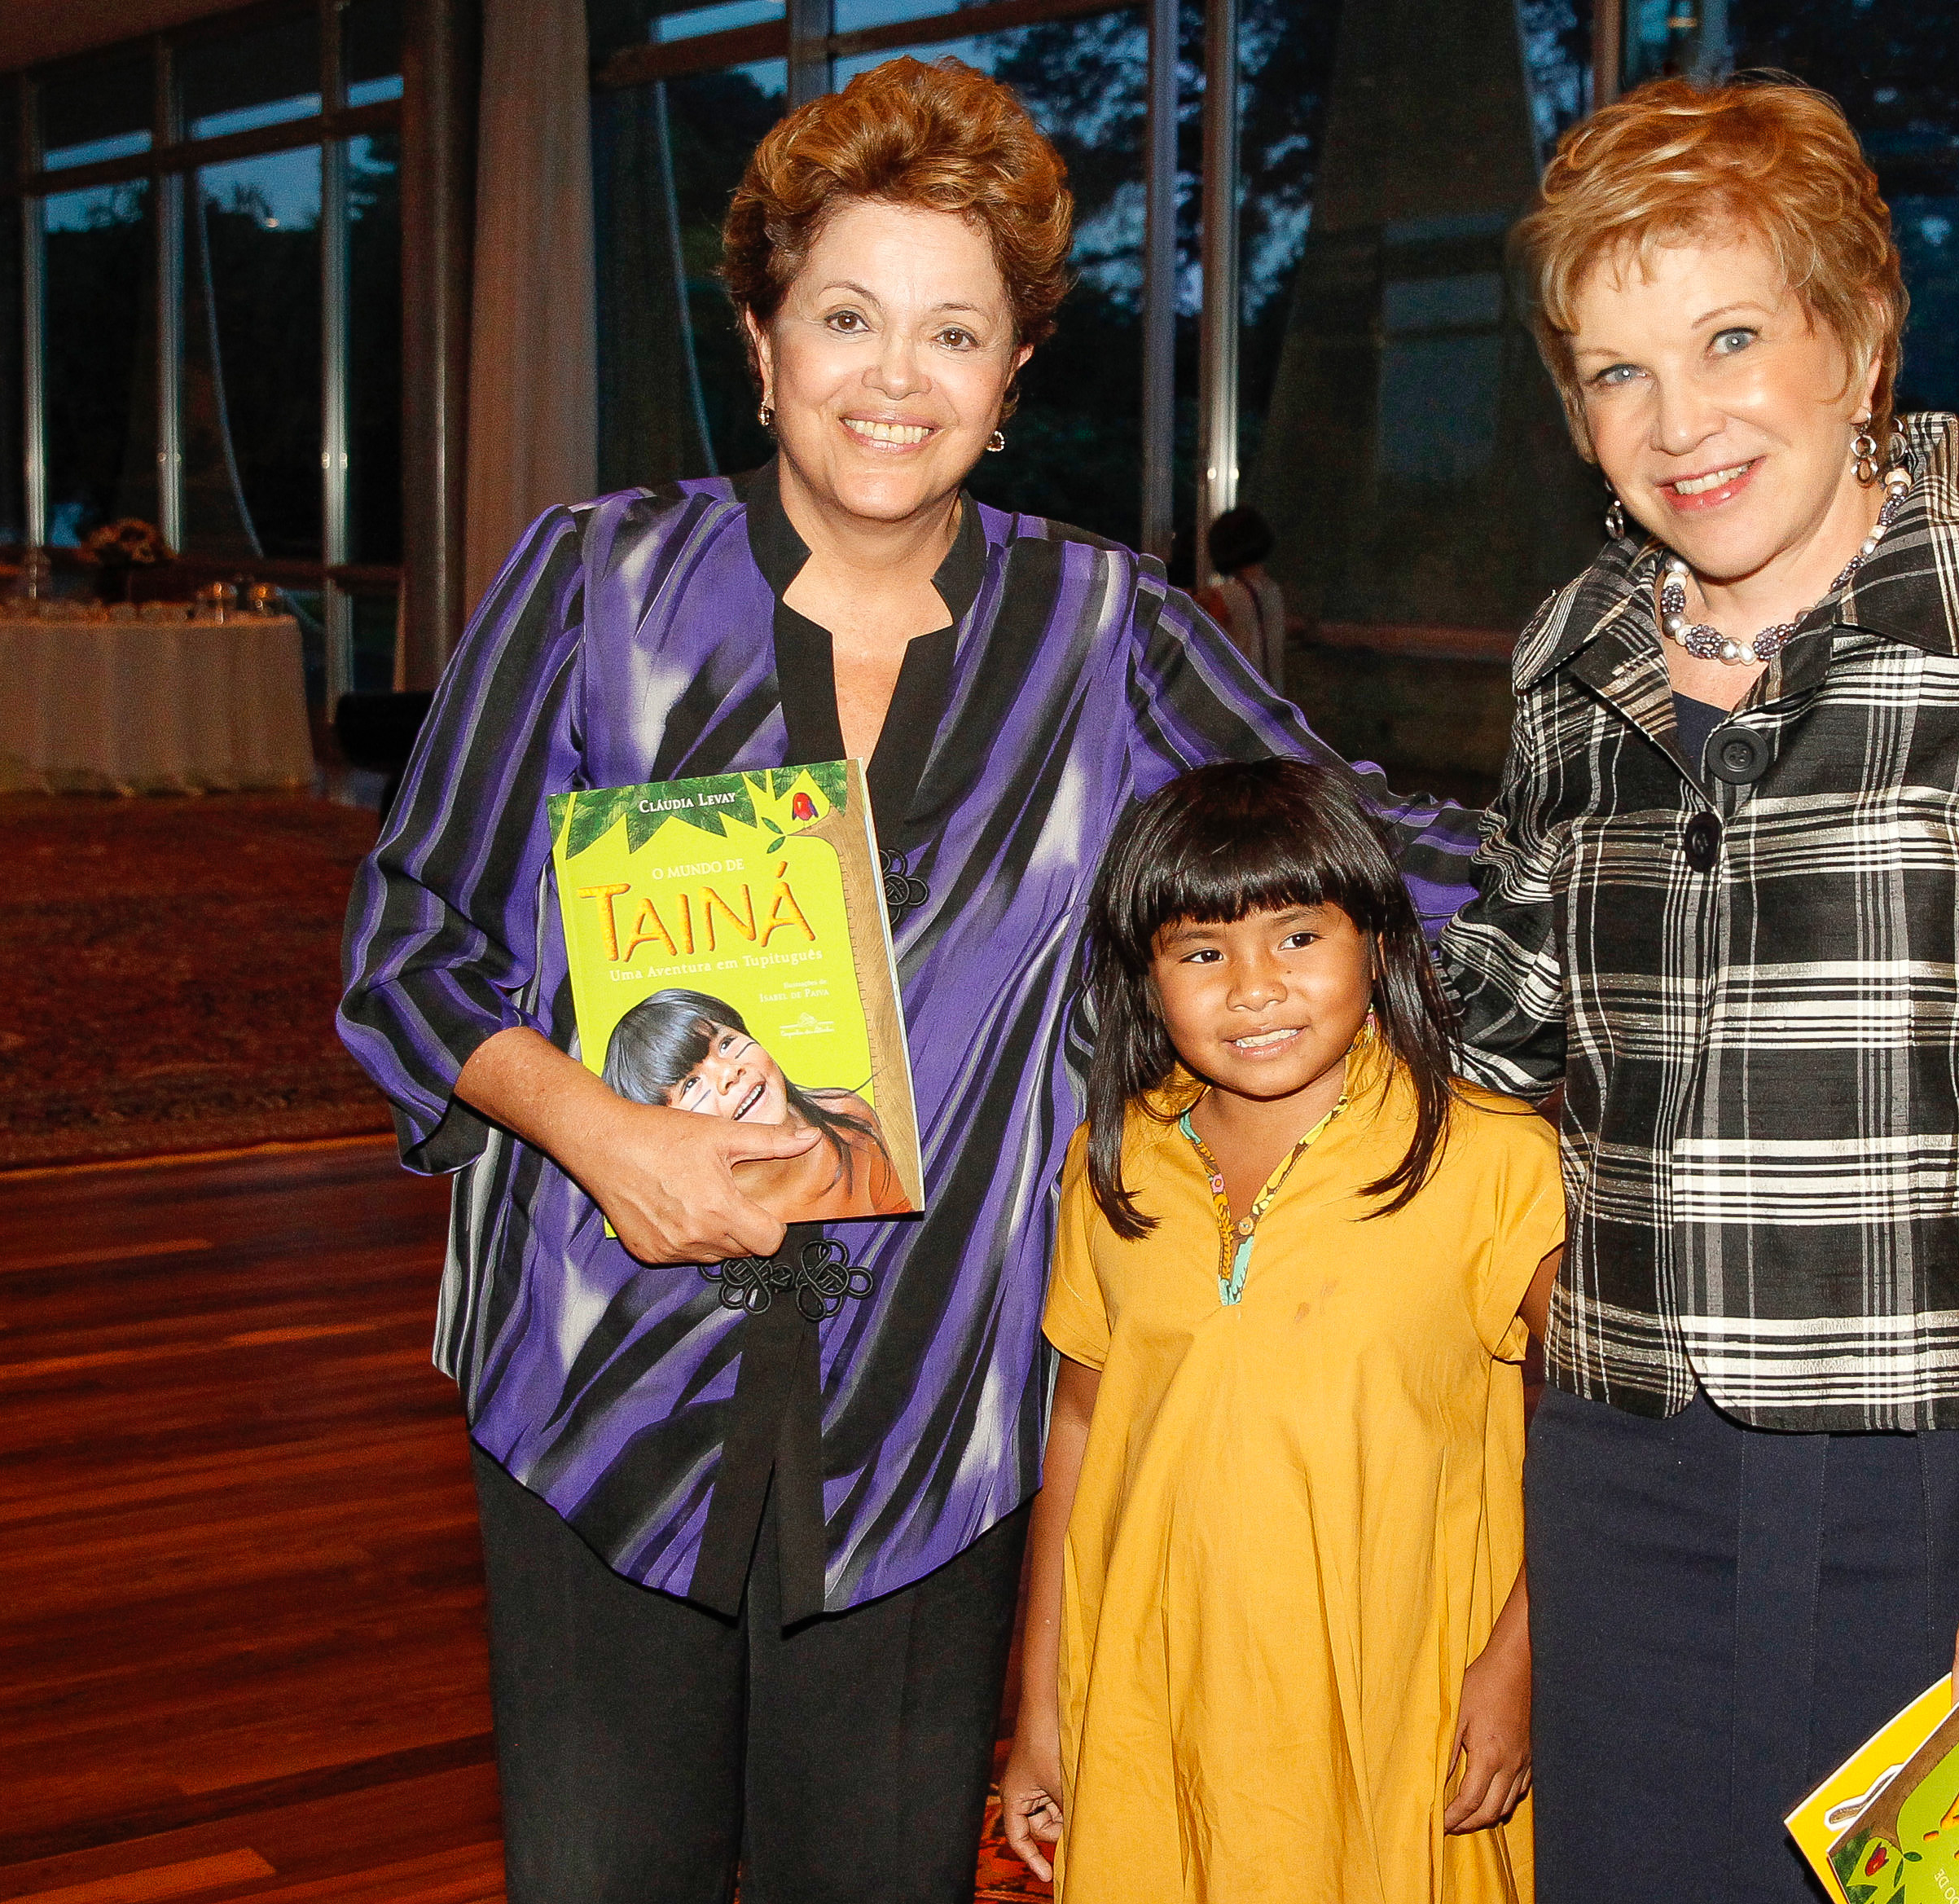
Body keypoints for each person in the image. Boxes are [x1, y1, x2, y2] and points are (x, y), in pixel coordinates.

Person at [337, 56, 1475, 1902]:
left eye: (953, 332)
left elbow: (1368, 849)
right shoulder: (586, 587)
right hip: (595, 1389)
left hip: (927, 1419)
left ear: (1013, 377)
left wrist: (1661, 838)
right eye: (845, 315)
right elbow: (408, 938)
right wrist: (593, 1128)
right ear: (763, 340)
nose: (892, 375)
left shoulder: (1098, 631)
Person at [1437, 73, 1959, 1902]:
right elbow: (1505, 1017)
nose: (1678, 421)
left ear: (1858, 334)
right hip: (1619, 1457)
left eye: (1731, 335)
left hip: (1952, 1465)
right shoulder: (1572, 648)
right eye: (1616, 370)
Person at [997, 759, 1561, 1903]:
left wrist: (1520, 1665)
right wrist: (1039, 1705)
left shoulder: (1494, 1160)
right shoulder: (1110, 1164)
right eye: (1202, 953)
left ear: (1379, 945)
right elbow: (1079, 1428)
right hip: (1161, 1699)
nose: (1252, 988)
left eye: (1297, 938)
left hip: (1400, 1695)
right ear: (1145, 980)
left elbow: (1603, 1436)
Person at [600, 988, 912, 1221]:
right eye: (691, 1084)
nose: (728, 1073)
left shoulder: (845, 1118)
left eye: (726, 1043)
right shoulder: (697, 1215)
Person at [1198, 504, 1289, 686]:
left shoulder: (1227, 596)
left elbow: (1205, 646)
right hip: (1272, 695)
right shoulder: (1273, 590)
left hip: (1242, 696)